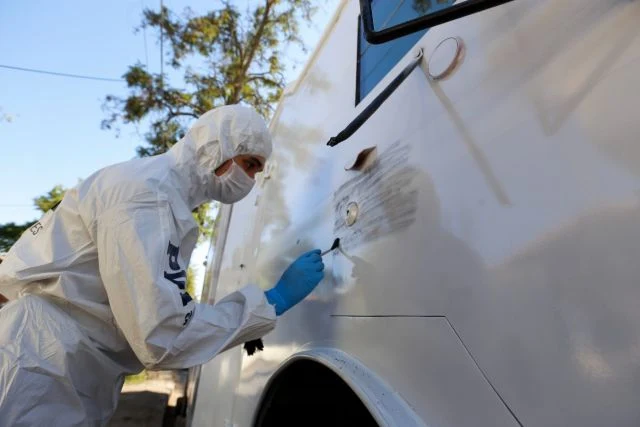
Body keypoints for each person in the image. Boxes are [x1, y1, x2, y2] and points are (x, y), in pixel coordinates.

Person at [0, 105, 324, 426]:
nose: (252, 179)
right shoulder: (149, 197)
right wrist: (269, 302)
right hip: (42, 367)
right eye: (250, 164)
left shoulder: (161, 194)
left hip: (59, 363)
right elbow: (162, 337)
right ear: (217, 146)